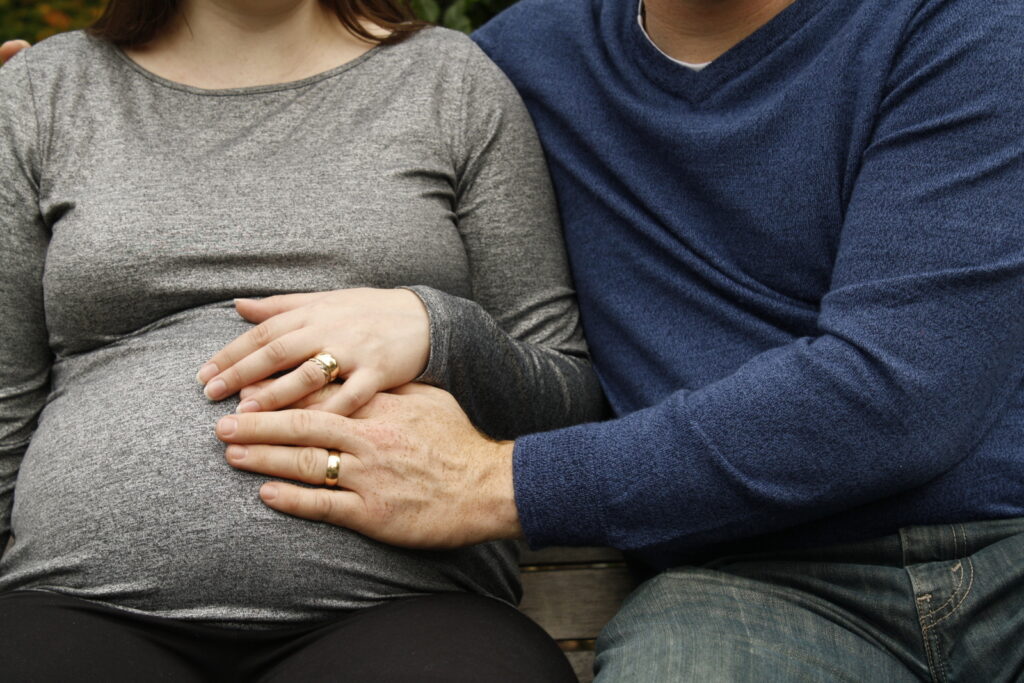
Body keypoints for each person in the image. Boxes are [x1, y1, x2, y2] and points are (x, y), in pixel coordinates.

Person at [8, 0, 1024, 679]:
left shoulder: (962, 31)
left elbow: (898, 391)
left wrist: (472, 424)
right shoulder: (529, 55)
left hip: (997, 548)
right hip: (755, 576)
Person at [0, 0, 604, 680]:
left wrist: (440, 331)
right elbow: (3, 401)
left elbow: (568, 402)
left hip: (406, 615)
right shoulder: (43, 91)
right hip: (70, 610)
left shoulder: (450, 82)